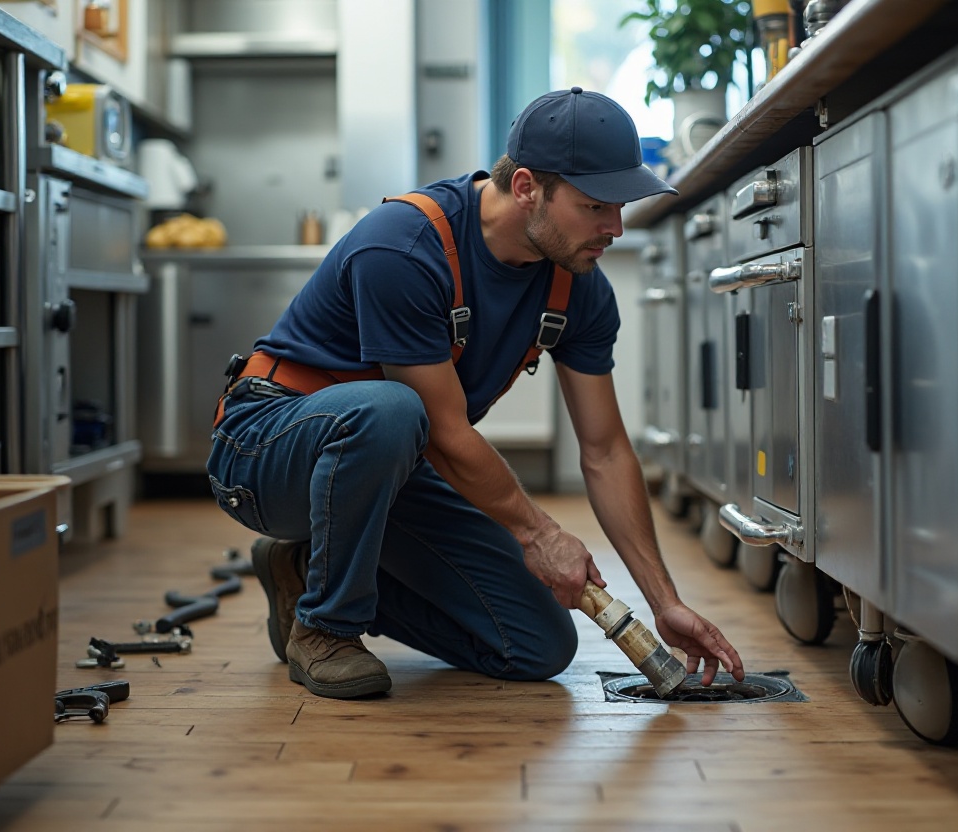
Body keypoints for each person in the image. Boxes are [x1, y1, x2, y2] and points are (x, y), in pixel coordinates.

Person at [207, 87, 744, 699]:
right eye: (596, 206)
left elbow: (604, 450)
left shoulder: (577, 285)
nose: (615, 229)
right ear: (526, 189)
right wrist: (541, 535)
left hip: (390, 462)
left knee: (537, 642)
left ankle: (303, 574)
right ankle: (326, 627)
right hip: (264, 449)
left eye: (620, 208)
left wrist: (664, 602)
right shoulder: (405, 246)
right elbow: (444, 430)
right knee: (392, 410)